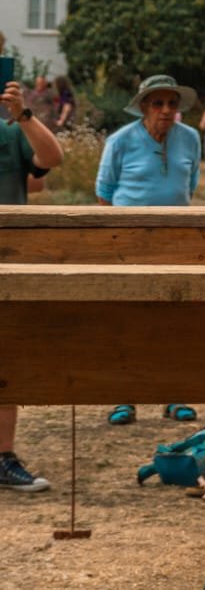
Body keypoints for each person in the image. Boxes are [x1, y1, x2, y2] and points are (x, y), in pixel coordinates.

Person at [96, 73, 202, 426]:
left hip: (176, 241)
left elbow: (188, 187)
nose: (166, 110)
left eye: (172, 103)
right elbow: (104, 194)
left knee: (174, 319)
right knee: (127, 319)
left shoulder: (190, 139)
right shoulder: (120, 141)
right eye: (158, 103)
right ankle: (123, 398)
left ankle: (175, 396)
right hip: (128, 241)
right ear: (144, 107)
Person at [0, 76, 64, 492]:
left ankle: (2, 457)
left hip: (6, 258)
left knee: (4, 363)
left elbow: (51, 158)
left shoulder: (11, 128)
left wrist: (22, 114)